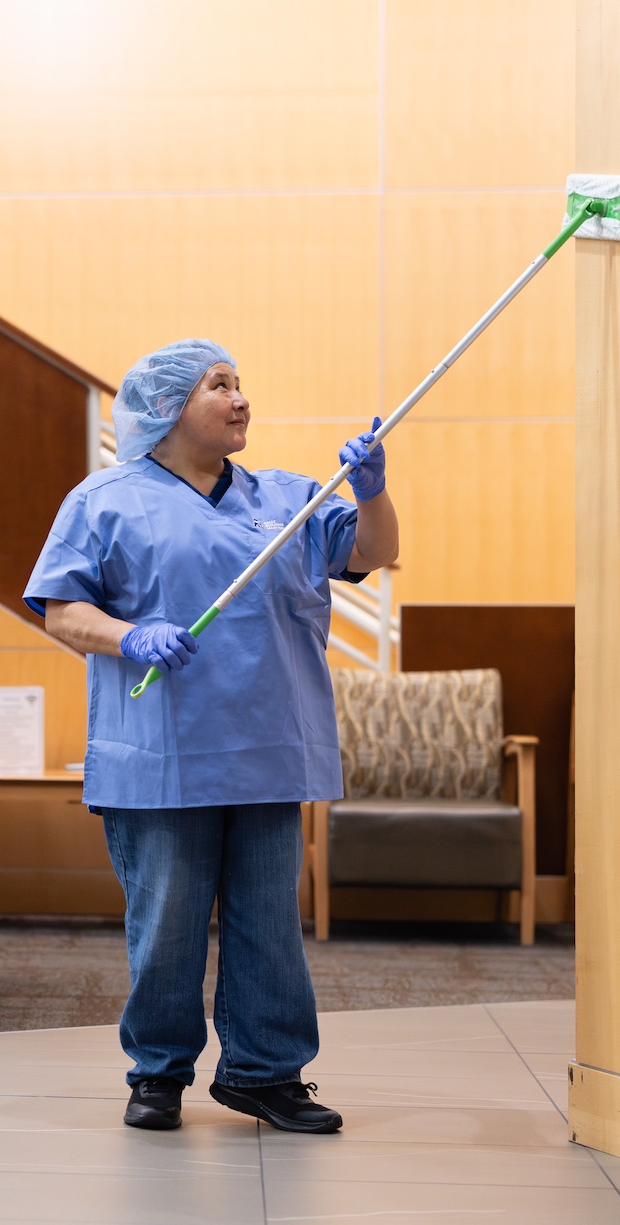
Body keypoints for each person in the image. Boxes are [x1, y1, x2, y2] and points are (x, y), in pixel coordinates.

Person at [24, 339, 398, 1135]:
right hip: (161, 753)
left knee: (269, 922)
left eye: (240, 383)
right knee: (167, 922)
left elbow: (373, 551)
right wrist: (131, 638)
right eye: (218, 385)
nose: (239, 398)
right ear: (164, 409)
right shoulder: (104, 501)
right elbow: (62, 610)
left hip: (267, 745)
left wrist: (371, 492)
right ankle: (157, 1073)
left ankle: (267, 1073)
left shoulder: (291, 496)